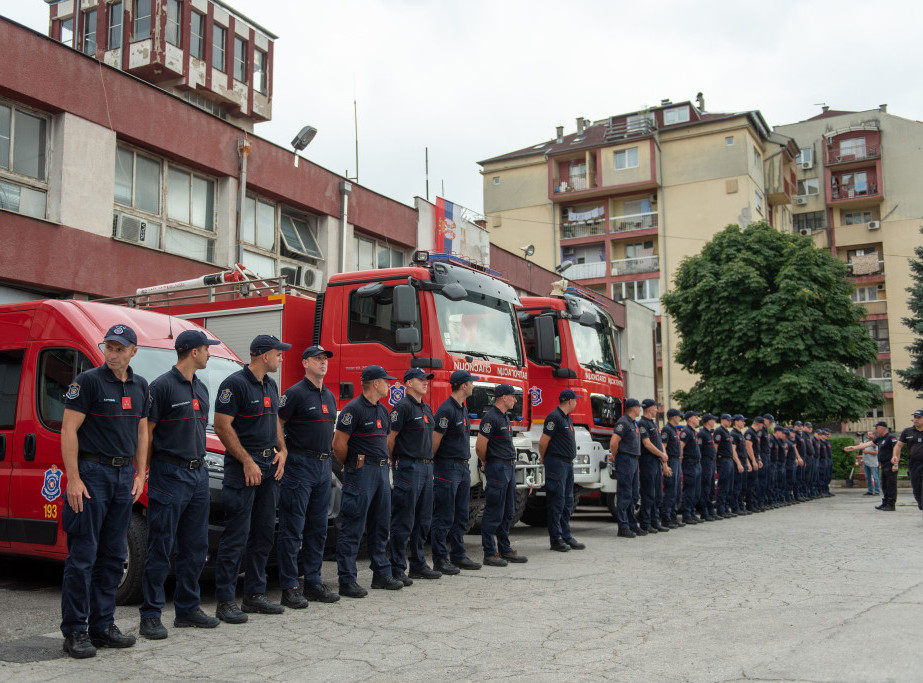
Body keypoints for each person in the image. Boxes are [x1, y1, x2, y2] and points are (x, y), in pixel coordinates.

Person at [60, 324, 149, 658]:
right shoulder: (88, 382)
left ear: (133, 352)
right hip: (92, 474)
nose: (112, 354)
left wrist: (140, 474)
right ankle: (75, 632)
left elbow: (142, 433)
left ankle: (102, 626)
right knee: (83, 557)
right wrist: (73, 479)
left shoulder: (141, 386)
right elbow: (69, 430)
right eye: (108, 347)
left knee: (113, 557)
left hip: (124, 475)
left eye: (119, 348)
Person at [139, 329, 221, 640]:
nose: (209, 352)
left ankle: (187, 609)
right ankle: (150, 615)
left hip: (198, 475)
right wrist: (145, 471)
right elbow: (146, 433)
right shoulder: (161, 387)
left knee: (195, 547)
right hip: (169, 475)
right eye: (206, 348)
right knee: (161, 546)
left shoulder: (201, 388)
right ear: (191, 351)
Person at [213, 335, 289, 623]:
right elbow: (222, 426)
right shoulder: (234, 384)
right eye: (278, 353)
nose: (281, 357)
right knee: (236, 536)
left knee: (263, 533)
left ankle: (254, 595)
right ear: (263, 355)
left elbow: (274, 422)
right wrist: (247, 461)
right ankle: (224, 601)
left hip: (270, 467)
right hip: (243, 468)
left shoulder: (270, 384)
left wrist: (282, 451)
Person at [276, 345, 340, 609]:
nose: (323, 363)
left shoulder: (329, 395)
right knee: (293, 529)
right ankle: (289, 587)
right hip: (300, 465)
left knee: (318, 528)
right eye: (317, 359)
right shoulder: (294, 394)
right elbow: (276, 422)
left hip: (323, 467)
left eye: (325, 359)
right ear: (304, 363)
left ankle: (313, 582)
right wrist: (282, 450)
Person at [335, 365, 402, 597]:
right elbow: (338, 445)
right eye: (386, 381)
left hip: (382, 473)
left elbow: (384, 440)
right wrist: (353, 465)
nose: (390, 384)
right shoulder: (353, 409)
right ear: (375, 383)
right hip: (361, 472)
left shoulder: (383, 410)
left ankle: (381, 574)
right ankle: (347, 579)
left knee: (381, 525)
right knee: (353, 526)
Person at [389, 368, 441, 584]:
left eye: (426, 380)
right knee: (404, 519)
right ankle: (397, 568)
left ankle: (418, 564)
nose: (425, 383)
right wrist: (395, 463)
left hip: (427, 468)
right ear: (408, 383)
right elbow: (390, 439)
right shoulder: (402, 408)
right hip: (409, 467)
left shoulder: (426, 408)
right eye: (421, 380)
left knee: (423, 519)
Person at [431, 370, 482, 575]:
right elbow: (435, 440)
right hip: (447, 467)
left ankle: (458, 555)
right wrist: (431, 463)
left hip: (462, 468)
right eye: (471, 383)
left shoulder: (462, 408)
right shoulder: (447, 410)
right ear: (463, 386)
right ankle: (440, 559)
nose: (473, 386)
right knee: (444, 514)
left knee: (461, 514)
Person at [477, 384, 528, 565]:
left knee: (508, 511)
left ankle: (505, 549)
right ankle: (490, 553)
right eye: (513, 396)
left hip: (508, 467)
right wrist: (485, 461)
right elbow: (480, 445)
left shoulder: (504, 417)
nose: (515, 399)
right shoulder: (491, 418)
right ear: (503, 397)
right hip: (497, 467)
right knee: (494, 511)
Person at [539, 389, 587, 551]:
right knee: (557, 502)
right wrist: (544, 458)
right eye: (575, 399)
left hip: (567, 464)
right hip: (556, 463)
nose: (577, 402)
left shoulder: (566, 418)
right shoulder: (554, 417)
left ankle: (566, 535)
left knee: (568, 501)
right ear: (569, 401)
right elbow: (543, 441)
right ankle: (556, 539)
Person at [610, 398, 644, 537]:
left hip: (634, 460)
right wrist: (616, 456)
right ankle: (623, 527)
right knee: (625, 494)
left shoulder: (633, 423)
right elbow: (614, 442)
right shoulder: (623, 423)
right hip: (625, 459)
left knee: (634, 494)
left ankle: (631, 524)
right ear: (632, 408)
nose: (640, 409)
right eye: (638, 407)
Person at [846, 422, 897, 511]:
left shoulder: (891, 438)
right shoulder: (880, 438)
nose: (875, 430)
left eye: (876, 428)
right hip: (883, 464)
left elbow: (897, 450)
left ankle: (891, 504)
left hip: (890, 464)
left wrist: (895, 464)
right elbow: (868, 444)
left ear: (882, 428)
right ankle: (885, 502)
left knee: (891, 485)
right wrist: (854, 447)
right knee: (884, 485)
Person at [638, 399, 671, 533]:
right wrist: (661, 454)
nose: (657, 409)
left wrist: (663, 457)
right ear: (650, 408)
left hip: (656, 462)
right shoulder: (642, 424)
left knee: (657, 494)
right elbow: (647, 444)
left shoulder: (654, 424)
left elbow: (659, 443)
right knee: (648, 494)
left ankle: (654, 521)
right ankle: (645, 523)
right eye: (655, 407)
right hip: (648, 462)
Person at [893, 409, 923, 519]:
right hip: (914, 465)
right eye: (915, 417)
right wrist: (895, 456)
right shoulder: (907, 431)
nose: (916, 419)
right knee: (917, 489)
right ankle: (921, 505)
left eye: (918, 417)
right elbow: (898, 445)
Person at [660, 408, 684, 529]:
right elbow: (663, 446)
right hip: (671, 460)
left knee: (677, 491)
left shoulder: (674, 429)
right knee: (670, 491)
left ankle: (673, 517)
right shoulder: (666, 429)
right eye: (679, 416)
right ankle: (666, 518)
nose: (680, 418)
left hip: (677, 460)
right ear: (673, 417)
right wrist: (665, 463)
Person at [713, 414, 739, 518]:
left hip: (729, 460)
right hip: (723, 460)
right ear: (722, 420)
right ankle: (721, 509)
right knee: (723, 486)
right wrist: (715, 460)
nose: (730, 422)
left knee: (729, 486)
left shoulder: (726, 432)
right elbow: (715, 447)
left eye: (730, 420)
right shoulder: (719, 431)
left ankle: (726, 508)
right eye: (728, 420)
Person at [679, 411, 703, 524]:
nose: (698, 419)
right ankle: (687, 514)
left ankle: (692, 512)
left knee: (696, 491)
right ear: (689, 419)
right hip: (690, 464)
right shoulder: (686, 431)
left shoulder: (694, 432)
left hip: (697, 464)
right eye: (696, 417)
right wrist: (681, 460)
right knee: (689, 490)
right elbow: (681, 447)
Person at [697, 414, 718, 521]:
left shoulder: (709, 433)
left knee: (710, 488)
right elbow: (699, 449)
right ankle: (704, 512)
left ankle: (710, 510)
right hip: (705, 462)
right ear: (707, 421)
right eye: (712, 420)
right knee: (705, 488)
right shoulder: (702, 433)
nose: (714, 421)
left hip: (711, 462)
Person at [743, 417, 764, 512]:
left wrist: (758, 459)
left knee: (755, 483)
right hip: (751, 459)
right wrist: (753, 461)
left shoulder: (754, 433)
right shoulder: (749, 432)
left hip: (755, 458)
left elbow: (756, 448)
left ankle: (754, 503)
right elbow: (748, 447)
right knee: (751, 484)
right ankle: (750, 504)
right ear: (759, 424)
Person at [730, 415, 749, 514]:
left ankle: (741, 505)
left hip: (743, 461)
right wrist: (738, 463)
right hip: (738, 462)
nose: (744, 423)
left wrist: (747, 463)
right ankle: (735, 507)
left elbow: (744, 450)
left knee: (743, 486)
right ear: (736, 422)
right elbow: (733, 450)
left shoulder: (740, 434)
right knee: (737, 486)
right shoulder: (733, 434)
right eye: (742, 421)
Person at [857, 430, 881, 497]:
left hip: (873, 462)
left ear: (873, 435)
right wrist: (858, 437)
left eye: (870, 434)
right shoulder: (866, 442)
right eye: (868, 434)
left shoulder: (875, 443)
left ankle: (877, 490)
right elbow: (858, 445)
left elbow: (876, 452)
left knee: (875, 477)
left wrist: (867, 452)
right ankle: (870, 490)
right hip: (866, 462)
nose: (869, 436)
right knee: (868, 477)